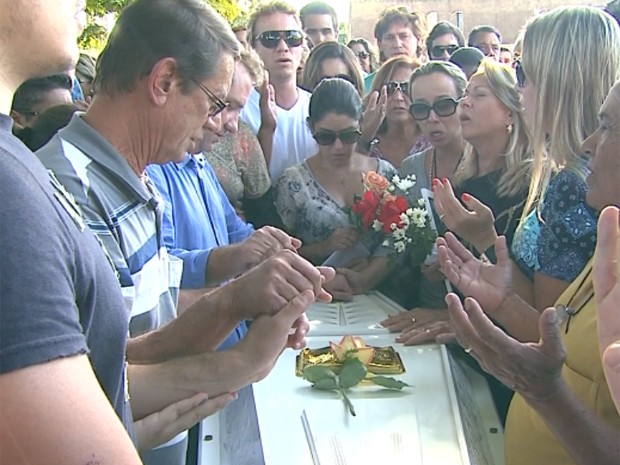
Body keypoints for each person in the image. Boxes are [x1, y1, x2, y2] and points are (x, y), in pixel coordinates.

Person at [35, 1, 335, 464]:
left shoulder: (136, 178)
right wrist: (238, 364)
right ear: (164, 82)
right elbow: (85, 390)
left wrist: (238, 301)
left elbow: (137, 338)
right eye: (216, 102)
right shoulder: (69, 190)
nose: (219, 122)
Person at [436, 77, 620, 465]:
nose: (589, 145)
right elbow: (560, 348)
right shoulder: (611, 241)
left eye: (607, 127)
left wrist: (546, 394)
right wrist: (505, 302)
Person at [436, 6, 620, 313]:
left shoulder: (575, 183)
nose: (518, 91)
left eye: (522, 73)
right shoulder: (573, 170)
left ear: (557, 81)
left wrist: (484, 241)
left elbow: (549, 336)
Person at [384, 59, 531, 345]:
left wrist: (455, 317)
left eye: (478, 95)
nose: (465, 105)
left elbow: (540, 307)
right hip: (464, 335)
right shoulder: (465, 180)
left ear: (511, 112)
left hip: (512, 349)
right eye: (421, 109)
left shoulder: (534, 185)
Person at [274, 78, 395, 268]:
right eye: (326, 137)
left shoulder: (384, 173)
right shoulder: (292, 183)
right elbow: (279, 255)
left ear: (361, 126)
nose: (338, 147)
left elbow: (400, 241)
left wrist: (370, 272)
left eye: (348, 136)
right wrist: (324, 247)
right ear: (311, 127)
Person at [242, 0, 317, 180]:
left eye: (292, 38)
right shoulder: (238, 110)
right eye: (271, 39)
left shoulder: (317, 105)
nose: (283, 47)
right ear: (252, 48)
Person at [203, 49, 279, 227]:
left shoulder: (242, 136)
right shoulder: (162, 157)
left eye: (239, 109)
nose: (233, 125)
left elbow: (263, 213)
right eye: (225, 105)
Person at [359, 56, 426, 168]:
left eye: (406, 88)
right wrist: (364, 138)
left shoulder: (433, 139)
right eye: (390, 88)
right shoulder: (368, 142)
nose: (398, 97)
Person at [364, 6, 426, 93]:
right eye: (390, 38)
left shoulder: (431, 81)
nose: (397, 44)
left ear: (418, 40)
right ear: (379, 44)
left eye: (404, 36)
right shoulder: (365, 87)